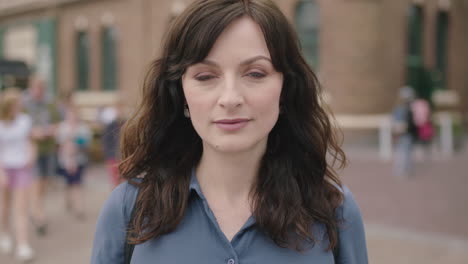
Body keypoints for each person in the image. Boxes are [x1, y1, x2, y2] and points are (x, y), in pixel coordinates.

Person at [91, 0, 368, 263]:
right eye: (205, 76)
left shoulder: (335, 210)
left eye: (255, 74)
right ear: (181, 92)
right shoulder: (128, 209)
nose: (230, 98)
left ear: (285, 89)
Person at [0, 88, 35, 261]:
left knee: (21, 208)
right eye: (15, 104)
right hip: (5, 168)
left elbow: (29, 141)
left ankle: (22, 244)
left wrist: (30, 155)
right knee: (5, 206)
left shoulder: (25, 120)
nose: (18, 107)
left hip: (22, 168)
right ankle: (4, 233)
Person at [23, 77, 61, 235]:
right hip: (31, 148)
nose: (38, 91)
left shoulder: (50, 102)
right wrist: (32, 132)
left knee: (45, 181)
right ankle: (38, 214)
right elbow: (18, 124)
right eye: (36, 88)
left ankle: (36, 209)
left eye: (41, 88)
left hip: (48, 148)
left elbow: (58, 122)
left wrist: (49, 130)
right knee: (36, 181)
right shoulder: (24, 103)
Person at [56, 105, 92, 220]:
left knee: (77, 183)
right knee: (68, 183)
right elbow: (58, 144)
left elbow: (87, 143)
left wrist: (77, 144)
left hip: (79, 159)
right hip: (65, 161)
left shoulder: (83, 128)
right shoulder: (62, 127)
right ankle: (69, 200)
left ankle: (79, 208)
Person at [392, 86, 418, 177]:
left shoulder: (403, 109)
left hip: (405, 134)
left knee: (404, 152)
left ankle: (403, 169)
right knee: (404, 152)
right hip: (404, 134)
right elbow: (398, 123)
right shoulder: (403, 109)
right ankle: (402, 170)